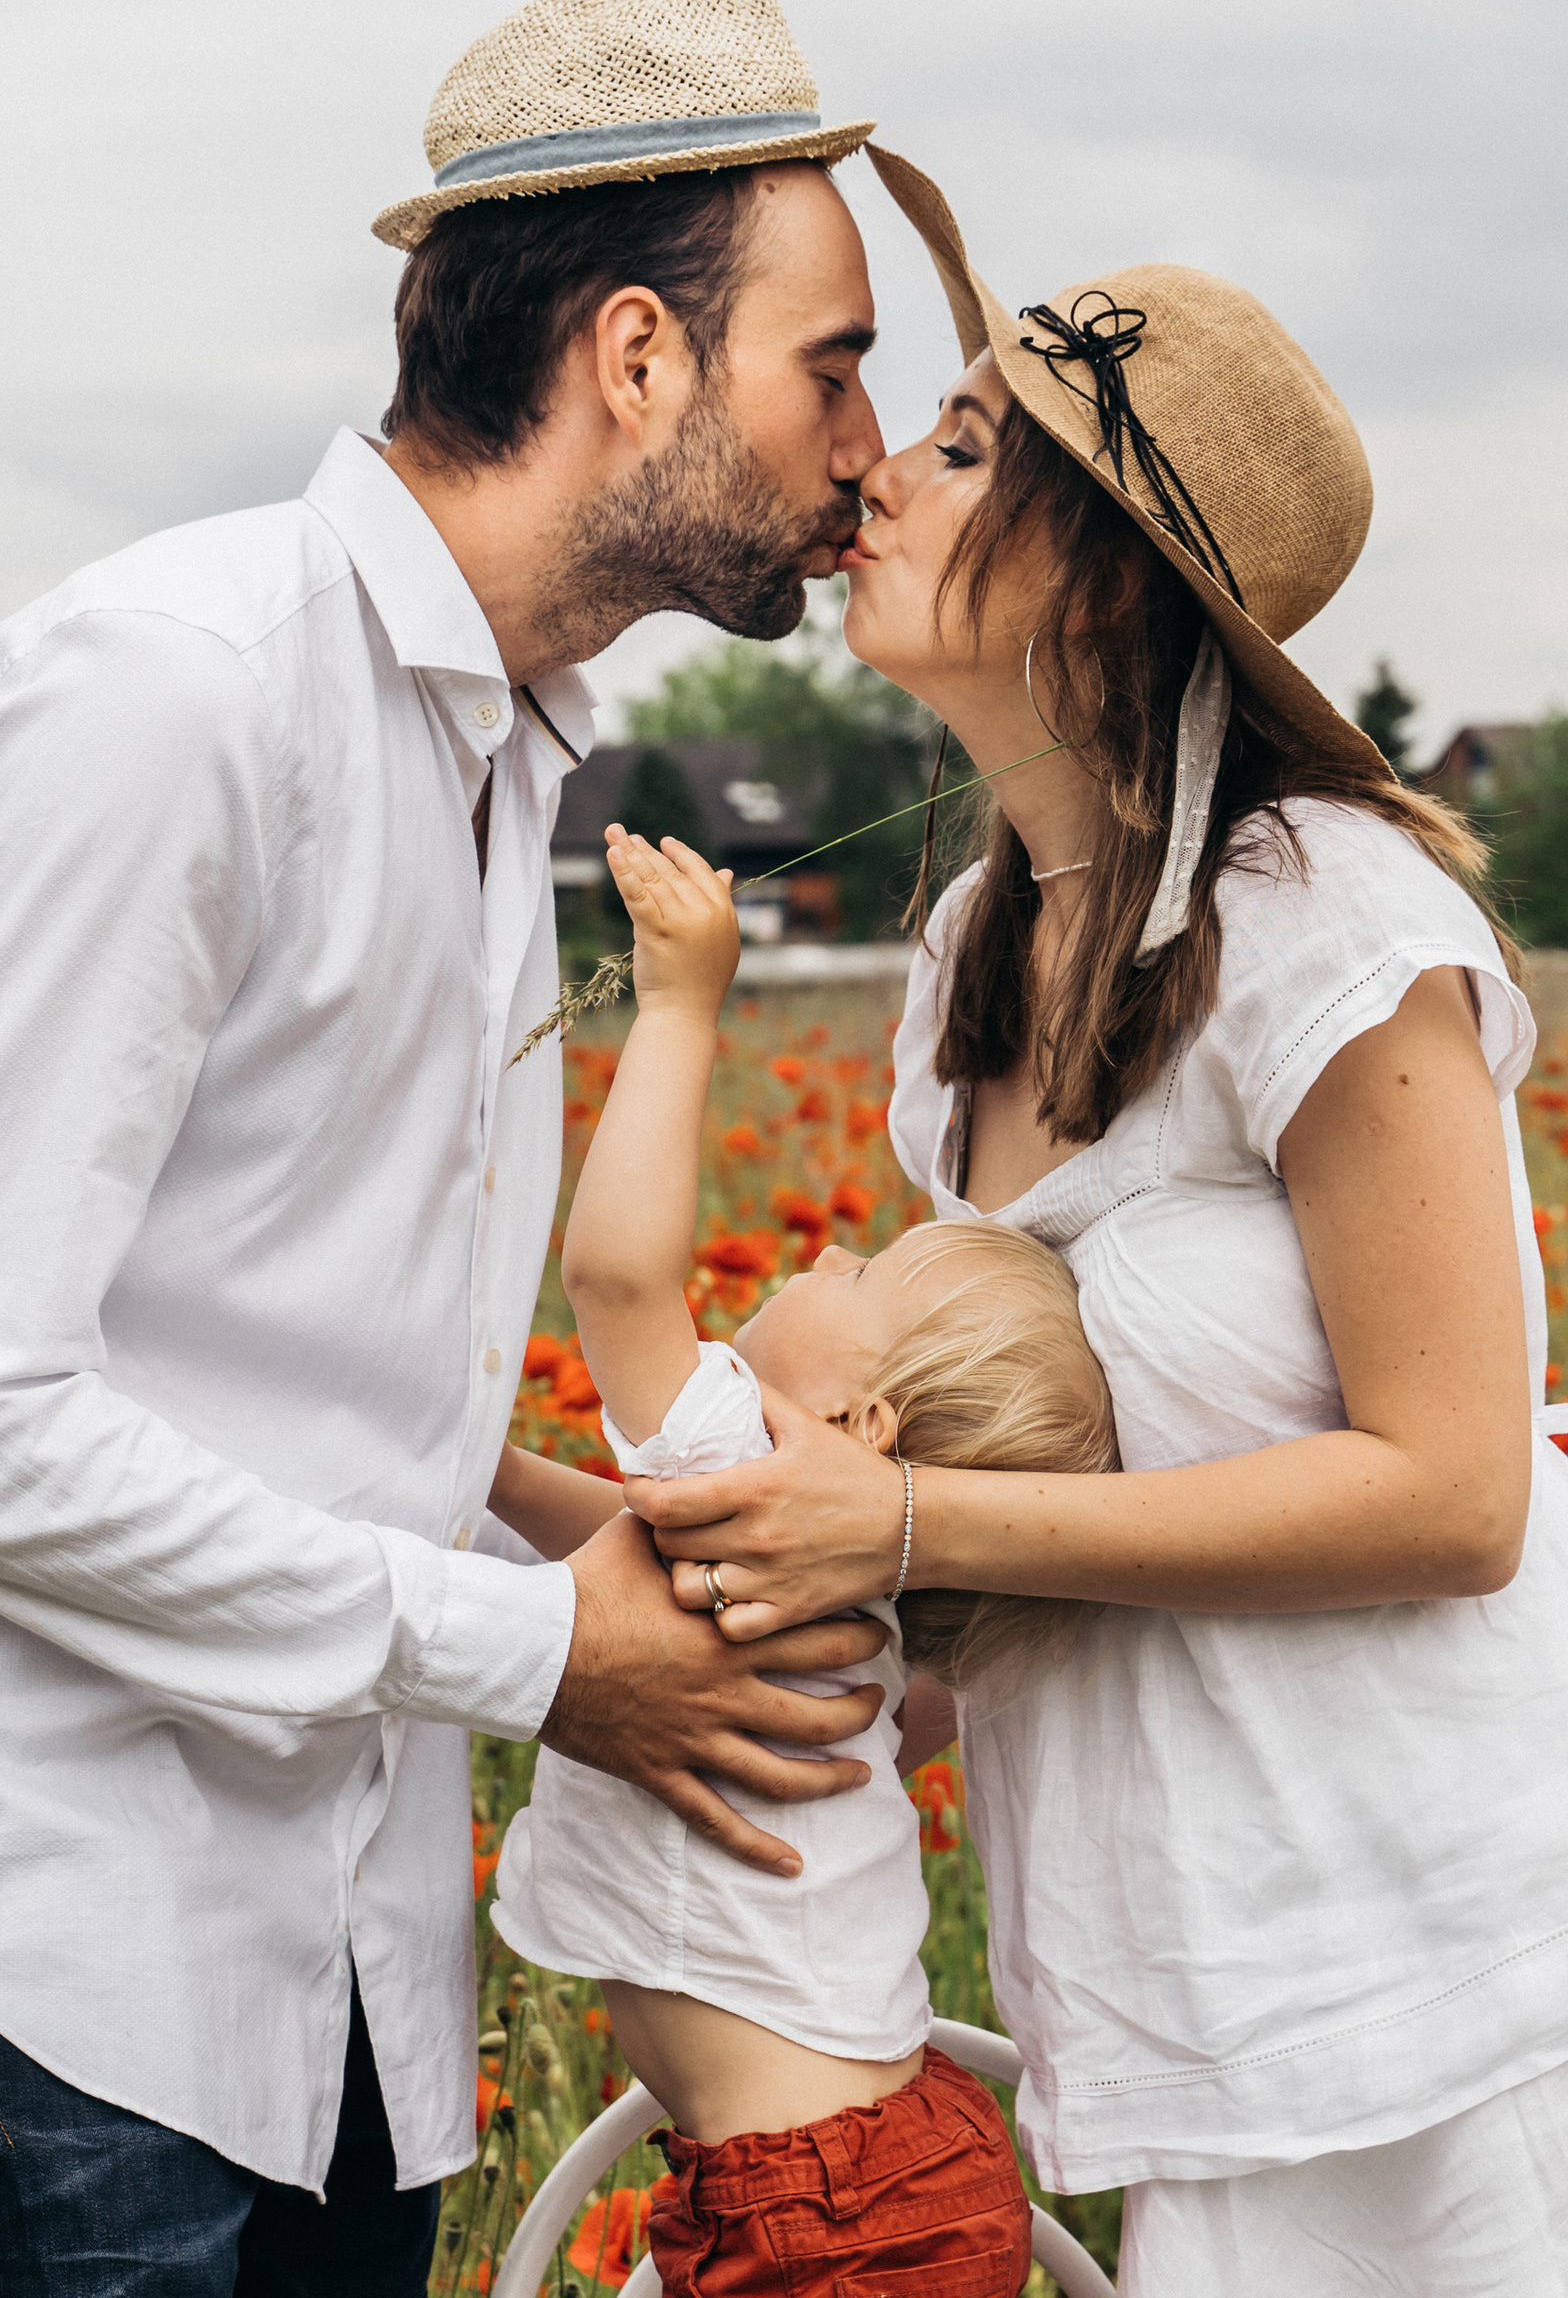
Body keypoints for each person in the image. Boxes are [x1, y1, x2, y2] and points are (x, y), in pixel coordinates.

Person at [624, 149, 1568, 2295]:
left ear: (1107, 579)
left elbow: (1448, 1493)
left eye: (963, 450)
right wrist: (675, 1632)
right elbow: (1032, 1489)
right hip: (1207, 1974)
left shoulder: (1319, 912)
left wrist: (900, 1538)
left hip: (1512, 1958)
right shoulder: (964, 960)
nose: (877, 477)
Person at [0, 0, 899, 2296]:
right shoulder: (174, 701)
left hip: (338, 1967)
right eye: (834, 358)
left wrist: (715, 1564)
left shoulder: (490, 755)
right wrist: (535, 1649)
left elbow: (308, 1364)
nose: (866, 445)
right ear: (638, 359)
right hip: (55, 1953)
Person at [486, 821, 1118, 2295]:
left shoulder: (766, 1458)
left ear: (862, 1419)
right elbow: (638, 1558)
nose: (831, 1256)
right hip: (860, 2175)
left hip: (816, 2207)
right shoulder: (835, 1579)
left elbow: (619, 1277)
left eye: (869, 1277)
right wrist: (479, 1471)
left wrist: (685, 1004)